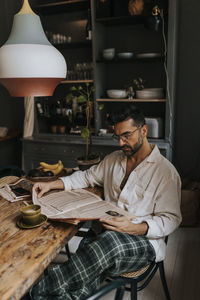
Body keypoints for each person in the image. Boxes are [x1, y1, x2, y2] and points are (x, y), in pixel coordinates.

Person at [27, 105, 182, 300]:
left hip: (144, 242)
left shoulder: (165, 172)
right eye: (116, 136)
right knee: (88, 264)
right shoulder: (113, 160)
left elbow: (171, 219)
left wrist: (134, 228)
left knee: (104, 245)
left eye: (126, 135)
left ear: (144, 130)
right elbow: (86, 177)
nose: (120, 142)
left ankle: (33, 292)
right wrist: (53, 184)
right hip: (105, 235)